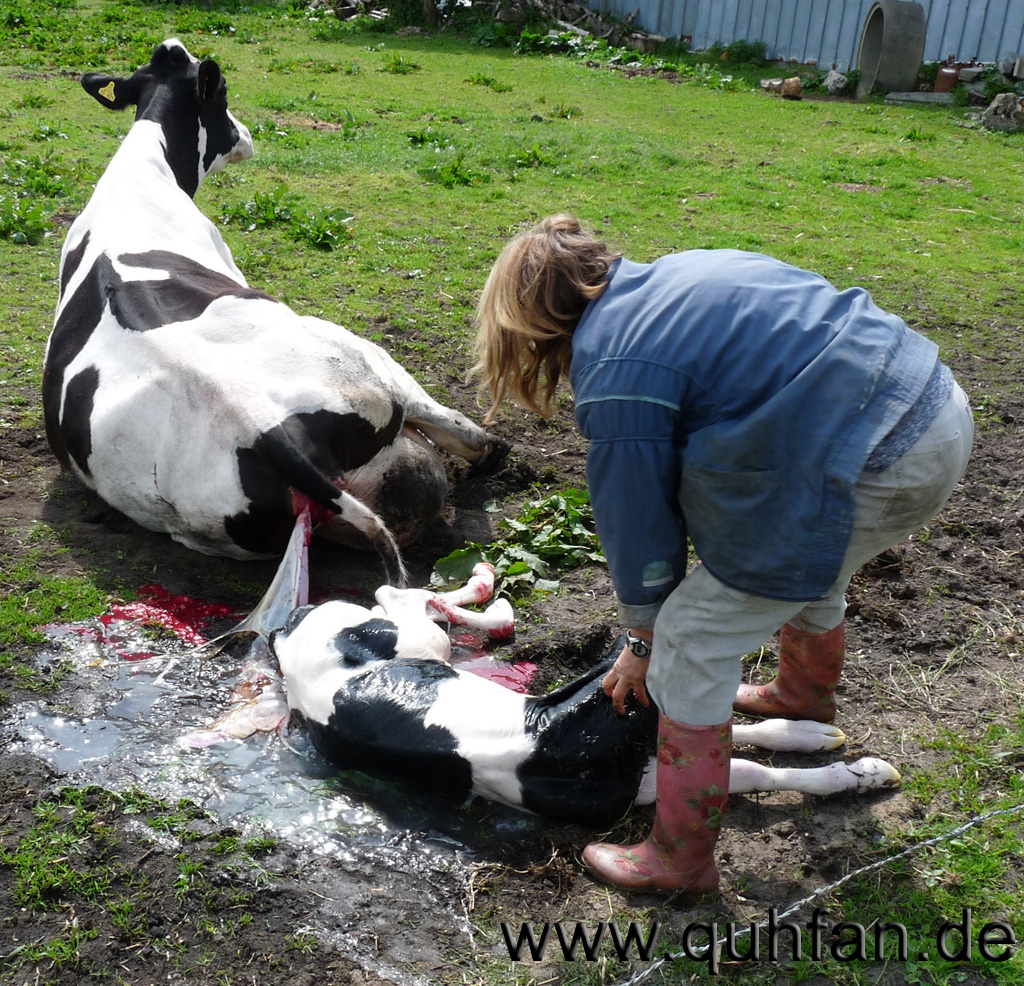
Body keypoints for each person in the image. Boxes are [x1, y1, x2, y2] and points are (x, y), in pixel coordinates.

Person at [472, 214, 973, 893]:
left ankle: (678, 858)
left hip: (878, 459)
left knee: (692, 635)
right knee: (807, 554)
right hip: (934, 411)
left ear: (532, 319)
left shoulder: (616, 367)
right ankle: (800, 698)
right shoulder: (685, 270)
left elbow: (637, 516)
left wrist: (645, 636)